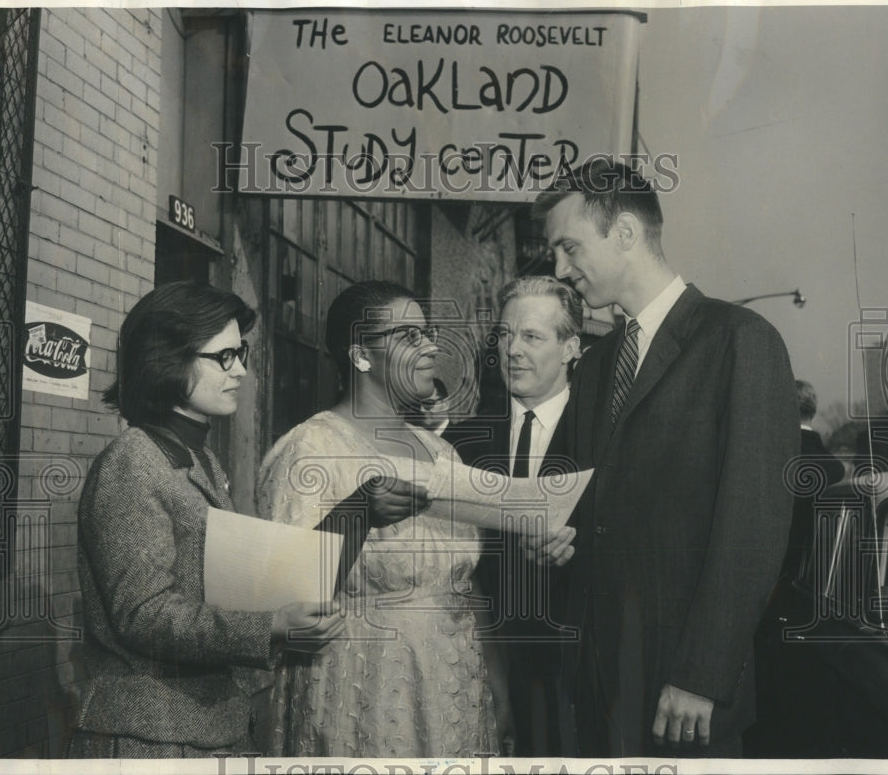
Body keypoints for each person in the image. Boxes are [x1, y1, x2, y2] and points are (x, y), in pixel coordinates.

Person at [529, 159, 799, 757]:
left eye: (569, 247)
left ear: (624, 232)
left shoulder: (740, 340)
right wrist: (550, 536)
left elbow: (753, 527)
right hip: (596, 681)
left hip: (684, 690)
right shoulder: (597, 364)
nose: (559, 269)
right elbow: (571, 497)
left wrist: (702, 675)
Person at [70, 282, 343, 758]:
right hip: (152, 734)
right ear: (168, 359)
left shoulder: (199, 459)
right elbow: (144, 615)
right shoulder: (133, 462)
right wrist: (270, 625)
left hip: (205, 726)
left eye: (242, 354)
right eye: (224, 357)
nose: (240, 371)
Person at [254, 280, 498, 757]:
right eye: (408, 335)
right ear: (360, 354)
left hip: (456, 681)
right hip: (366, 683)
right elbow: (280, 591)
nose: (430, 347)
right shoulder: (311, 449)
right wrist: (358, 514)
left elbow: (470, 583)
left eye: (427, 332)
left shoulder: (441, 451)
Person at [445, 275, 581, 756]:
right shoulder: (462, 444)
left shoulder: (606, 440)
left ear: (570, 348)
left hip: (580, 673)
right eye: (505, 335)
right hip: (484, 666)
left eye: (532, 337)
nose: (513, 350)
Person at [781, 380, 846, 577]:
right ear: (813, 411)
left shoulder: (777, 461)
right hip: (833, 570)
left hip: (786, 572)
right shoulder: (836, 469)